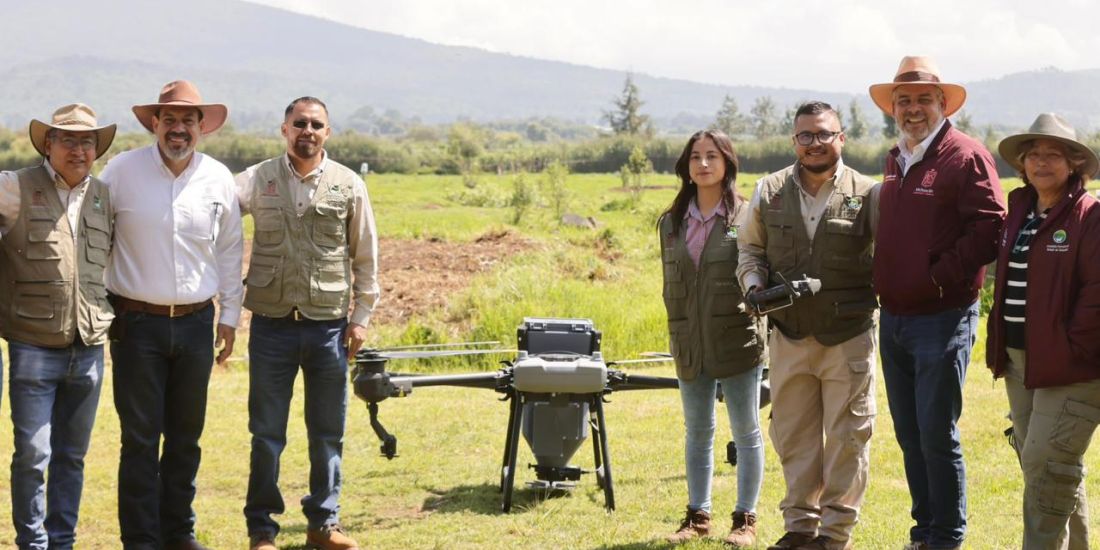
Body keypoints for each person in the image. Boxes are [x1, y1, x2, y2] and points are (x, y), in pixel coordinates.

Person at [869, 56, 1006, 550]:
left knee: (935, 433)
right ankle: (924, 532)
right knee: (909, 434)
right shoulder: (896, 159)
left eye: (923, 99)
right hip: (895, 318)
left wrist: (938, 277)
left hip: (942, 317)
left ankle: (946, 536)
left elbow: (991, 226)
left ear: (943, 103)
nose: (913, 109)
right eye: (903, 101)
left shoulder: (965, 155)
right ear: (893, 108)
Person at [100, 80, 243, 550]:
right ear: (154, 124)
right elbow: (95, 239)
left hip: (197, 324)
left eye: (187, 120)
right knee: (140, 439)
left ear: (201, 127)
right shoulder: (120, 172)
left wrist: (229, 317)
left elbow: (229, 251)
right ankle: (141, 539)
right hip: (136, 324)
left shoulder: (218, 178)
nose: (178, 128)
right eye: (169, 119)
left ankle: (178, 532)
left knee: (186, 437)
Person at [236, 97, 378, 550]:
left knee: (327, 433)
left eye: (317, 125)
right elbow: (211, 212)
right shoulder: (256, 180)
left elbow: (366, 256)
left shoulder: (349, 184)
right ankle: (262, 530)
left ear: (327, 133)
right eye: (300, 124)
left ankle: (324, 524)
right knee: (266, 434)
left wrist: (361, 318)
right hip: (271, 326)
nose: (308, 131)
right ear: (284, 129)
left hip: (328, 328)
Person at [737, 102, 878, 550]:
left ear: (841, 137)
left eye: (823, 134)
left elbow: (889, 260)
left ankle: (834, 535)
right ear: (793, 140)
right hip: (788, 333)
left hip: (848, 335)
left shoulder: (869, 193)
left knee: (847, 437)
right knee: (793, 435)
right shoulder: (769, 189)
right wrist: (754, 287)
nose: (814, 143)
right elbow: (750, 250)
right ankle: (800, 528)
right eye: (805, 136)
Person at [0, 104, 115, 550]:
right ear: (48, 143)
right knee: (33, 454)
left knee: (72, 456)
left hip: (89, 347)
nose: (79, 149)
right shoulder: (13, 187)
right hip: (32, 345)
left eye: (87, 141)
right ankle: (33, 543)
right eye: (68, 139)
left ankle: (62, 541)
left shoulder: (105, 196)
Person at [987, 113, 1100, 550]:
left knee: (1046, 463)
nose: (1041, 162)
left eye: (1053, 154)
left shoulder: (1090, 216)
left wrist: (1073, 346)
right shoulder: (1020, 209)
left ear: (1074, 164)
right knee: (1049, 467)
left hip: (1070, 366)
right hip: (1020, 362)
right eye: (1033, 154)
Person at [658, 129, 765, 548]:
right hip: (689, 340)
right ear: (686, 166)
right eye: (695, 157)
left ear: (727, 163)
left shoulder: (747, 215)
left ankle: (745, 519)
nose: (703, 164)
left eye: (712, 156)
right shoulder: (671, 222)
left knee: (746, 431)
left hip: (736, 338)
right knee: (697, 431)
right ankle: (697, 516)